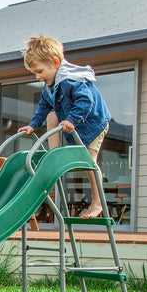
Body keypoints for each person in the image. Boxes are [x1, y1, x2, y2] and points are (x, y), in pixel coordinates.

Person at [18, 34, 111, 219]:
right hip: (75, 123)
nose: (38, 77)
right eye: (35, 73)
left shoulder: (71, 80)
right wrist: (32, 126)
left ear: (55, 62)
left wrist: (72, 120)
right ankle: (55, 155)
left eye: (40, 71)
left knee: (89, 161)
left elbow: (86, 100)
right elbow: (43, 108)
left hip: (93, 123)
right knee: (52, 114)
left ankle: (97, 203)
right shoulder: (50, 85)